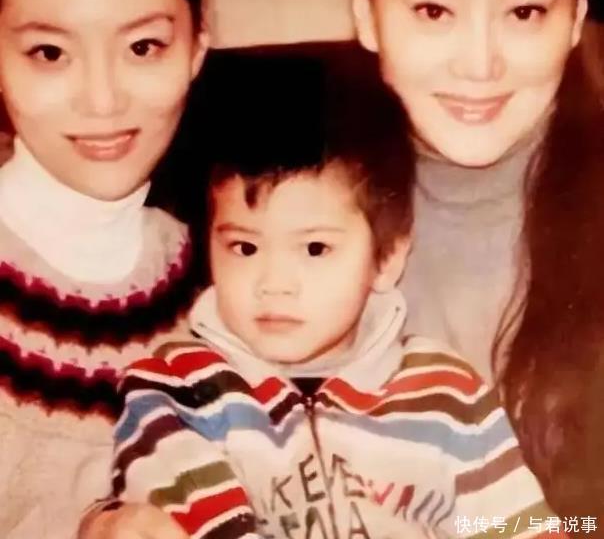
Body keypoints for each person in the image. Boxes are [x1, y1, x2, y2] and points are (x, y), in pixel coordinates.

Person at [111, 58, 553, 538]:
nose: (274, 283)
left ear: (387, 258)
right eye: (244, 247)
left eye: (315, 249)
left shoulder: (448, 397)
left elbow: (516, 527)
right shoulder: (176, 391)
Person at [351, 0, 604, 521]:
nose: (480, 63)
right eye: (435, 10)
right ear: (366, 10)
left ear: (575, 18)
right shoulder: (285, 207)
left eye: (524, 12)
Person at [0, 0, 208, 539]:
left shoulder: (233, 274)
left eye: (143, 46)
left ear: (197, 47)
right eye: (50, 52)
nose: (102, 99)